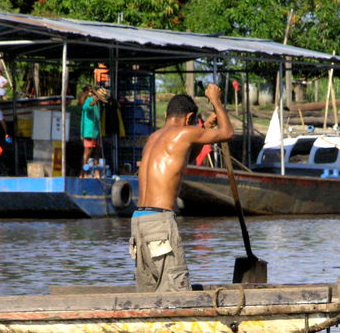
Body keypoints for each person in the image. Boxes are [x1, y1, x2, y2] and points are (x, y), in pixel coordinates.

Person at [131, 84, 233, 292]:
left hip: (138, 223)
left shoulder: (154, 138)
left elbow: (185, 157)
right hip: (160, 223)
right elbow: (228, 133)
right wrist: (216, 100)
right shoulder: (185, 133)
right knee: (176, 293)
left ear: (168, 114)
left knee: (149, 295)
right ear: (188, 119)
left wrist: (205, 129)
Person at [80, 86, 108, 177]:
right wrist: (93, 101)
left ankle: (97, 173)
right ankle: (83, 173)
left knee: (97, 152)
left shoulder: (98, 104)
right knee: (87, 153)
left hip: (96, 132)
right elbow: (85, 108)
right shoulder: (89, 100)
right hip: (89, 131)